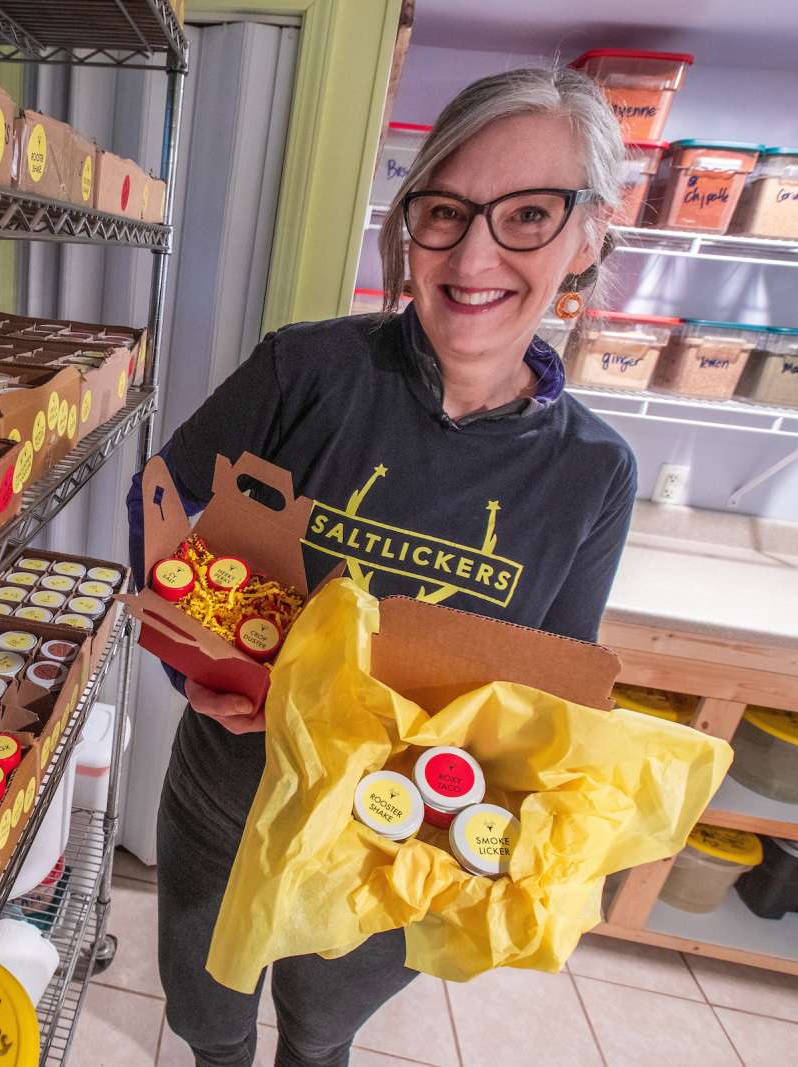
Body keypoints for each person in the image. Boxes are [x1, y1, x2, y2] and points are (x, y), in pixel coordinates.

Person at [124, 66, 638, 1067]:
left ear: (588, 236)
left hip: (397, 838)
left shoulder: (592, 473)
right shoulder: (306, 370)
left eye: (527, 213)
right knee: (208, 1017)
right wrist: (190, 659)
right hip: (231, 792)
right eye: (443, 212)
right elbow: (165, 511)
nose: (475, 252)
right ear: (407, 231)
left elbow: (553, 684)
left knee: (320, 1033)